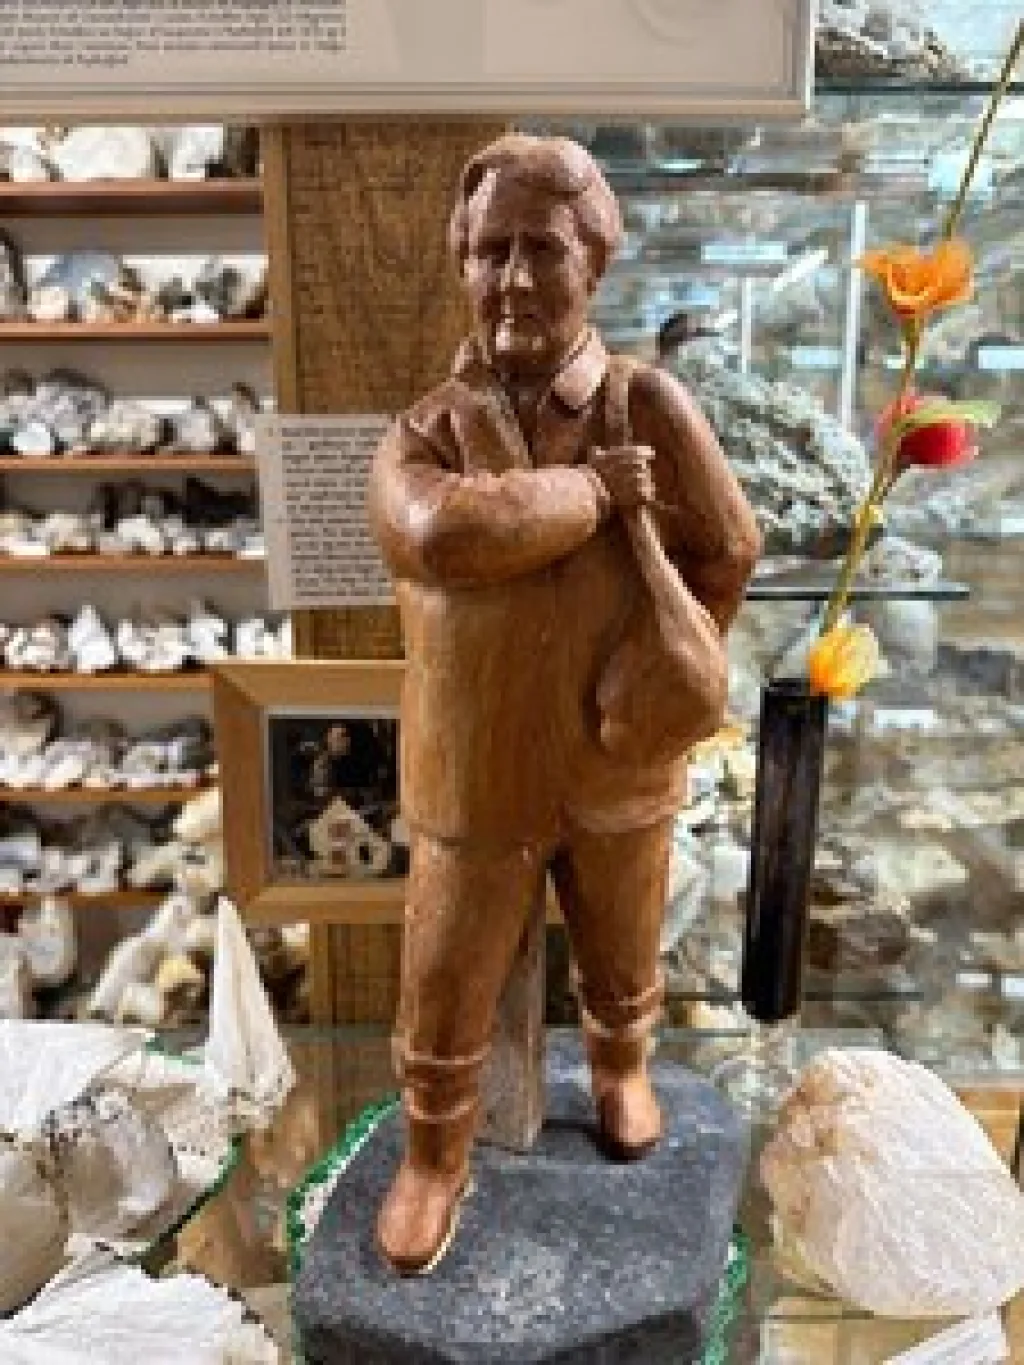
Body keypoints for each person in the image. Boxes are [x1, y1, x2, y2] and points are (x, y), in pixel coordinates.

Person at [368, 133, 760, 1275]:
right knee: (445, 981)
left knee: (623, 947)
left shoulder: (647, 404)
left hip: (615, 760)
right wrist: (590, 492)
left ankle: (621, 1067)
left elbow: (729, 547)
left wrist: (662, 674)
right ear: (462, 265)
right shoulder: (429, 430)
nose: (513, 278)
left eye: (542, 248)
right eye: (490, 250)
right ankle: (433, 1154)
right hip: (472, 770)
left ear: (594, 262)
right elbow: (442, 533)